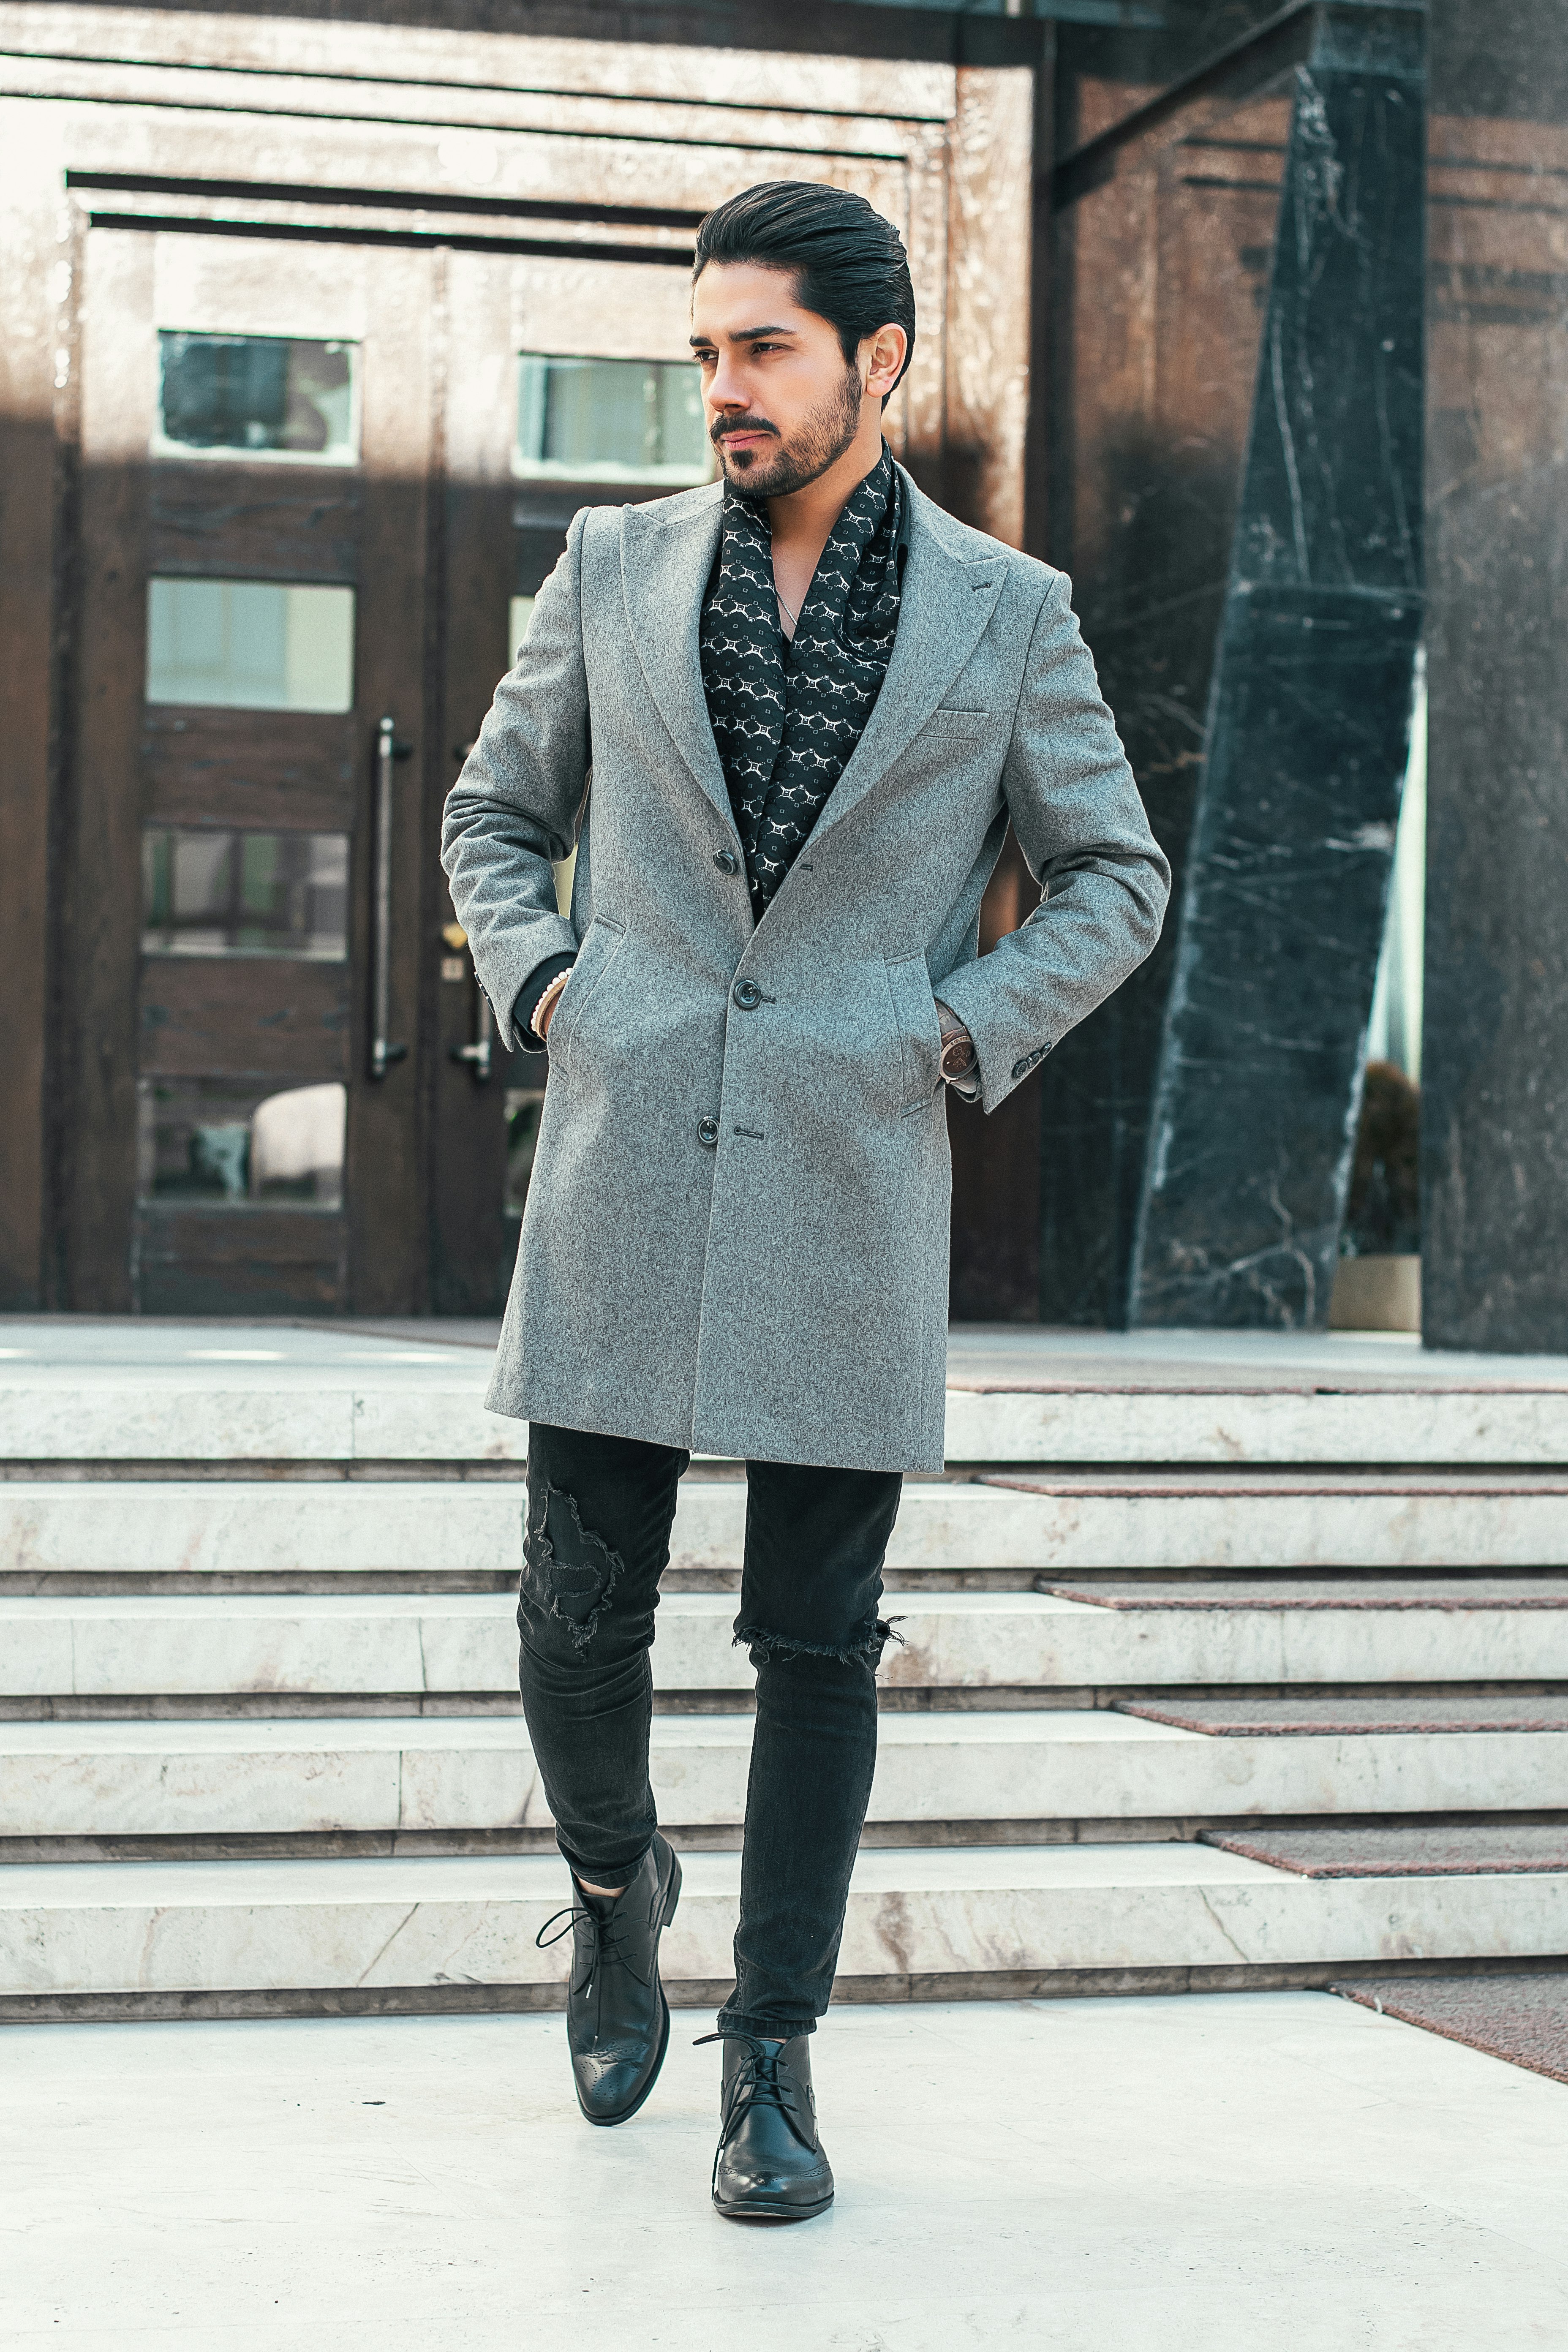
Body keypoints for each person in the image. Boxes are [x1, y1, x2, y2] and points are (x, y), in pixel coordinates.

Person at [441, 179, 1170, 2223]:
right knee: (576, 1612)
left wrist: (949, 1034)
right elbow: (493, 814)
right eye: (704, 353)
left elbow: (1116, 875)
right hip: (626, 1147)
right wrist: (554, 981)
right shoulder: (610, 564)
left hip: (854, 1162)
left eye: (759, 348)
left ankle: (771, 2057)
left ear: (879, 362)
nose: (722, 392)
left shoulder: (1005, 615)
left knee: (815, 1641)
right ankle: (609, 1886)